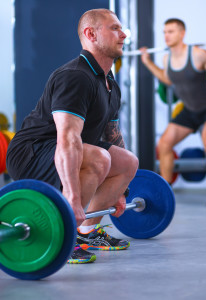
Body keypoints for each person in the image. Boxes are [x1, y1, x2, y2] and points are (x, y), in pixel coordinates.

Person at [6, 8, 139, 264]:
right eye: (114, 28)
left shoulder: (109, 82)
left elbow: (112, 135)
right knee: (99, 159)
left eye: (122, 29)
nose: (123, 34)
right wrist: (73, 197)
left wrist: (120, 191)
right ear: (91, 34)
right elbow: (67, 138)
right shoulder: (75, 76)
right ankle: (64, 236)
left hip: (70, 149)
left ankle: (87, 231)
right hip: (31, 153)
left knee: (128, 162)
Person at [140, 18, 206, 206]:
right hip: (189, 110)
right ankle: (166, 189)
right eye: (165, 32)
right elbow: (168, 80)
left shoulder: (199, 54)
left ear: (182, 33)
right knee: (164, 143)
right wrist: (147, 62)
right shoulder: (167, 58)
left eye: (171, 31)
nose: (167, 35)